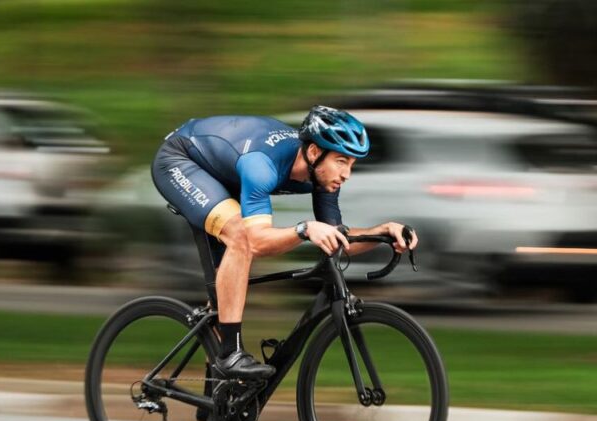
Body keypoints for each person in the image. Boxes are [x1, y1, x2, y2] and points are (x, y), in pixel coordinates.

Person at [151, 105, 418, 380]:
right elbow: (256, 242)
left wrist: (383, 232)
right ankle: (229, 354)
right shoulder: (262, 166)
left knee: (226, 287)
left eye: (351, 164)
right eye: (341, 161)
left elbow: (337, 238)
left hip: (225, 171)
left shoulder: (321, 177)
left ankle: (218, 394)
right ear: (314, 152)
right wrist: (303, 229)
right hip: (181, 160)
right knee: (240, 238)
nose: (347, 174)